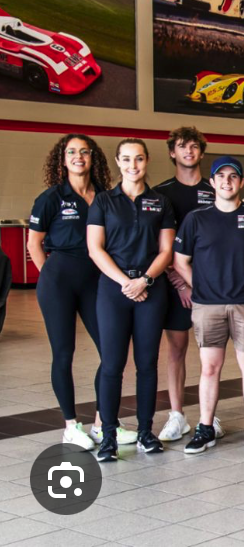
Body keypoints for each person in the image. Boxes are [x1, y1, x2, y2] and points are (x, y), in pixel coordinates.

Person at [173, 157, 244, 454]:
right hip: (208, 306)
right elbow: (180, 260)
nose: (226, 181)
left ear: (241, 182)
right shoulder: (196, 219)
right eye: (220, 176)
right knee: (209, 367)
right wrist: (200, 287)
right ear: (212, 182)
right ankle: (205, 428)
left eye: (232, 176)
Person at [27, 134, 125, 450]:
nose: (78, 156)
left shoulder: (106, 197)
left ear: (93, 158)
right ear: (63, 159)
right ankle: (71, 425)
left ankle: (101, 421)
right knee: (64, 353)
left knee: (110, 351)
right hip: (59, 280)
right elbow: (34, 243)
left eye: (84, 151)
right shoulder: (52, 198)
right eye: (72, 152)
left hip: (96, 281)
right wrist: (51, 279)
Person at [87, 139, 177, 462]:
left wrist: (145, 280)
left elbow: (166, 251)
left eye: (138, 159)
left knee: (147, 365)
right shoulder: (103, 202)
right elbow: (95, 248)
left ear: (147, 160)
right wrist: (126, 282)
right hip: (114, 290)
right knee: (111, 365)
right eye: (126, 159)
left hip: (151, 289)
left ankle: (145, 432)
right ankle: (108, 435)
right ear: (117, 161)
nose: (132, 165)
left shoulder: (161, 202)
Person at [153, 127, 220, 443]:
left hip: (213, 288)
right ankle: (177, 415)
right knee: (177, 349)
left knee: (213, 353)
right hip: (176, 284)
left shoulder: (217, 190)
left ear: (202, 152)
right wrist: (179, 281)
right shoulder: (160, 193)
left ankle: (210, 414)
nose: (189, 151)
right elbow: (158, 244)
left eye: (194, 146)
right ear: (172, 152)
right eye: (182, 146)